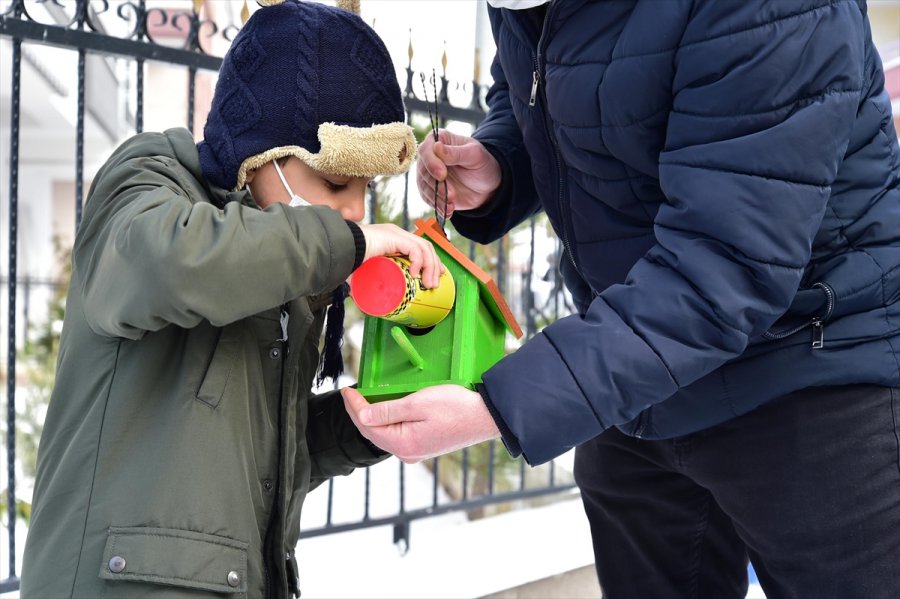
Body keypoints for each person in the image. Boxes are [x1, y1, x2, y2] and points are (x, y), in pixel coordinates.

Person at [342, 1, 900, 597]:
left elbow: (724, 267)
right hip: (638, 384)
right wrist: (502, 160)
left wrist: (499, 407)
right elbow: (536, 90)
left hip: (810, 372)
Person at [19, 1, 442, 597]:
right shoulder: (149, 178)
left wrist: (372, 422)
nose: (354, 211)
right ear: (261, 152)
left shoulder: (286, 266)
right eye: (338, 183)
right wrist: (342, 244)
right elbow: (164, 266)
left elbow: (261, 462)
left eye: (365, 191)